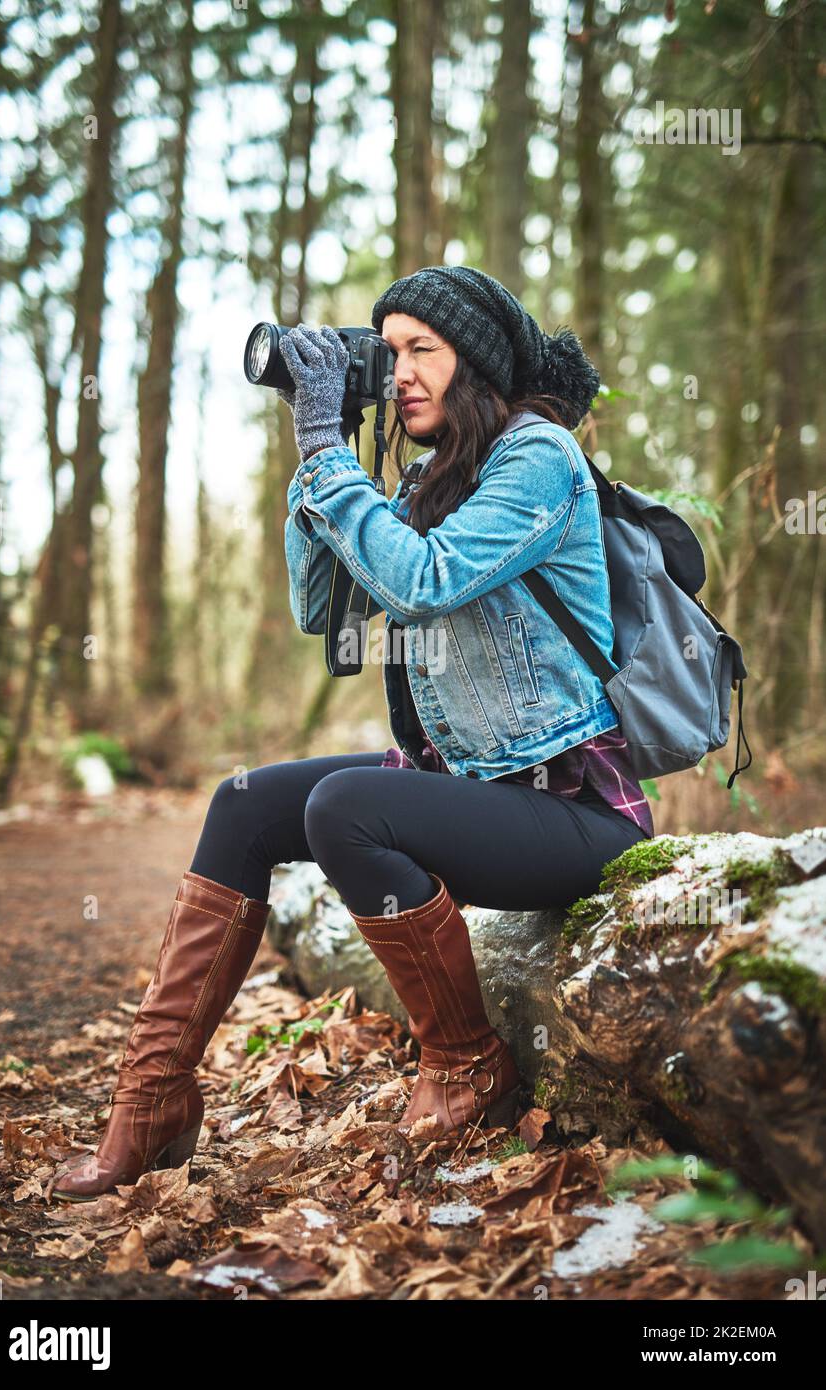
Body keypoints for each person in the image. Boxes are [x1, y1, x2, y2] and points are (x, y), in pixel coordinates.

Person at [51, 265, 651, 1202]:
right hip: (472, 788)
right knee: (243, 803)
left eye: (424, 351)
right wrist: (319, 454)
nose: (401, 371)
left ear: (477, 366)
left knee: (346, 807)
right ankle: (153, 1094)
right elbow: (320, 609)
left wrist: (330, 450)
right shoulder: (423, 476)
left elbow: (422, 580)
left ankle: (463, 1065)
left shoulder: (538, 460)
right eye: (389, 351)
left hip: (569, 810)